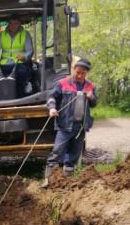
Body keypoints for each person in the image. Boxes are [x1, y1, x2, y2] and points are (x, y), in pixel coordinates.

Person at [41, 58, 97, 187]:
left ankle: (68, 181)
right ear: (73, 70)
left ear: (86, 73)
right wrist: (52, 108)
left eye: (82, 73)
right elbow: (51, 97)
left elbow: (94, 104)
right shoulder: (63, 83)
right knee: (57, 151)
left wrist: (91, 97)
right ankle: (48, 180)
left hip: (81, 126)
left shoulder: (90, 86)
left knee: (74, 154)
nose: (79, 75)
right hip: (65, 125)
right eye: (77, 72)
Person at [0, 15, 34, 99]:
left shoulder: (25, 34)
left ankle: (19, 99)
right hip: (3, 64)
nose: (13, 26)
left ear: (20, 24)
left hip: (19, 63)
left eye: (15, 23)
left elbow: (30, 50)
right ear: (8, 24)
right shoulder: (2, 34)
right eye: (11, 23)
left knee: (22, 73)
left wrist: (24, 57)